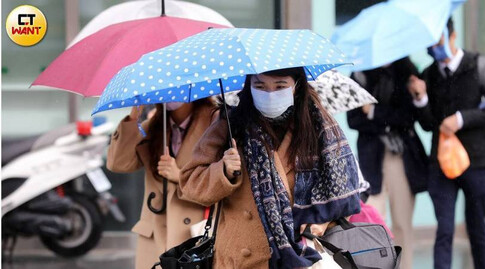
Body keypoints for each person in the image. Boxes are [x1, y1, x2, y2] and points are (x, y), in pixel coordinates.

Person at [178, 67, 361, 269]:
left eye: (280, 86)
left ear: (296, 86)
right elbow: (191, 183)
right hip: (239, 257)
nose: (270, 94)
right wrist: (224, 170)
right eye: (260, 86)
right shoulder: (230, 124)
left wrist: (324, 223)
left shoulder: (319, 129)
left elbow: (343, 194)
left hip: (302, 256)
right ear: (249, 86)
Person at [407, 18, 485, 269]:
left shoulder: (479, 65)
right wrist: (421, 99)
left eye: (438, 41)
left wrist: (462, 119)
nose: (434, 49)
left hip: (477, 159)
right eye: (429, 46)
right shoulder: (428, 75)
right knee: (444, 228)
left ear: (452, 36)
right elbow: (429, 124)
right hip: (441, 163)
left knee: (477, 227)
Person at [106, 98, 218, 269]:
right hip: (155, 238)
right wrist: (133, 117)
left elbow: (222, 182)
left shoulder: (215, 123)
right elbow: (118, 163)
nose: (170, 95)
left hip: (193, 238)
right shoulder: (154, 125)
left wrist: (179, 176)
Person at [347, 57, 429, 269]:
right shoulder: (360, 76)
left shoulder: (407, 73)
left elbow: (408, 117)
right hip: (371, 159)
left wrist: (374, 113)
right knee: (373, 224)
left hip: (401, 156)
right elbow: (354, 120)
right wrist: (385, 120)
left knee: (402, 224)